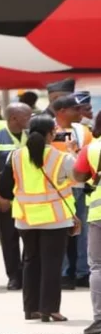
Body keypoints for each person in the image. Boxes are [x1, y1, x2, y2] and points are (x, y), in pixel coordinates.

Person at [0, 114, 76, 322]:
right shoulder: (61, 157)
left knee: (30, 261)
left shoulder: (15, 156)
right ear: (51, 133)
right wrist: (71, 152)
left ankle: (31, 309)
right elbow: (78, 179)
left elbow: (4, 189)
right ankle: (49, 309)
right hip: (55, 218)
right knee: (52, 263)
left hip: (25, 218)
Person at [0, 103, 32, 290]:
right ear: (13, 118)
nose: (30, 119)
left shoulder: (32, 137)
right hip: (5, 200)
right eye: (27, 116)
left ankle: (28, 275)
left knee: (29, 239)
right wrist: (1, 196)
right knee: (9, 239)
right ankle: (14, 276)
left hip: (27, 198)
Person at [51, 95, 93, 290]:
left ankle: (82, 272)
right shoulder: (49, 130)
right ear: (61, 112)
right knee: (63, 232)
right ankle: (64, 273)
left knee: (84, 232)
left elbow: (90, 155)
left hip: (81, 187)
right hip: (58, 190)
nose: (80, 113)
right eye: (75, 109)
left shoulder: (83, 131)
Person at [73, 139, 101, 334]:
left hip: (100, 214)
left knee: (98, 266)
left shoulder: (92, 148)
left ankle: (100, 321)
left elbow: (78, 176)